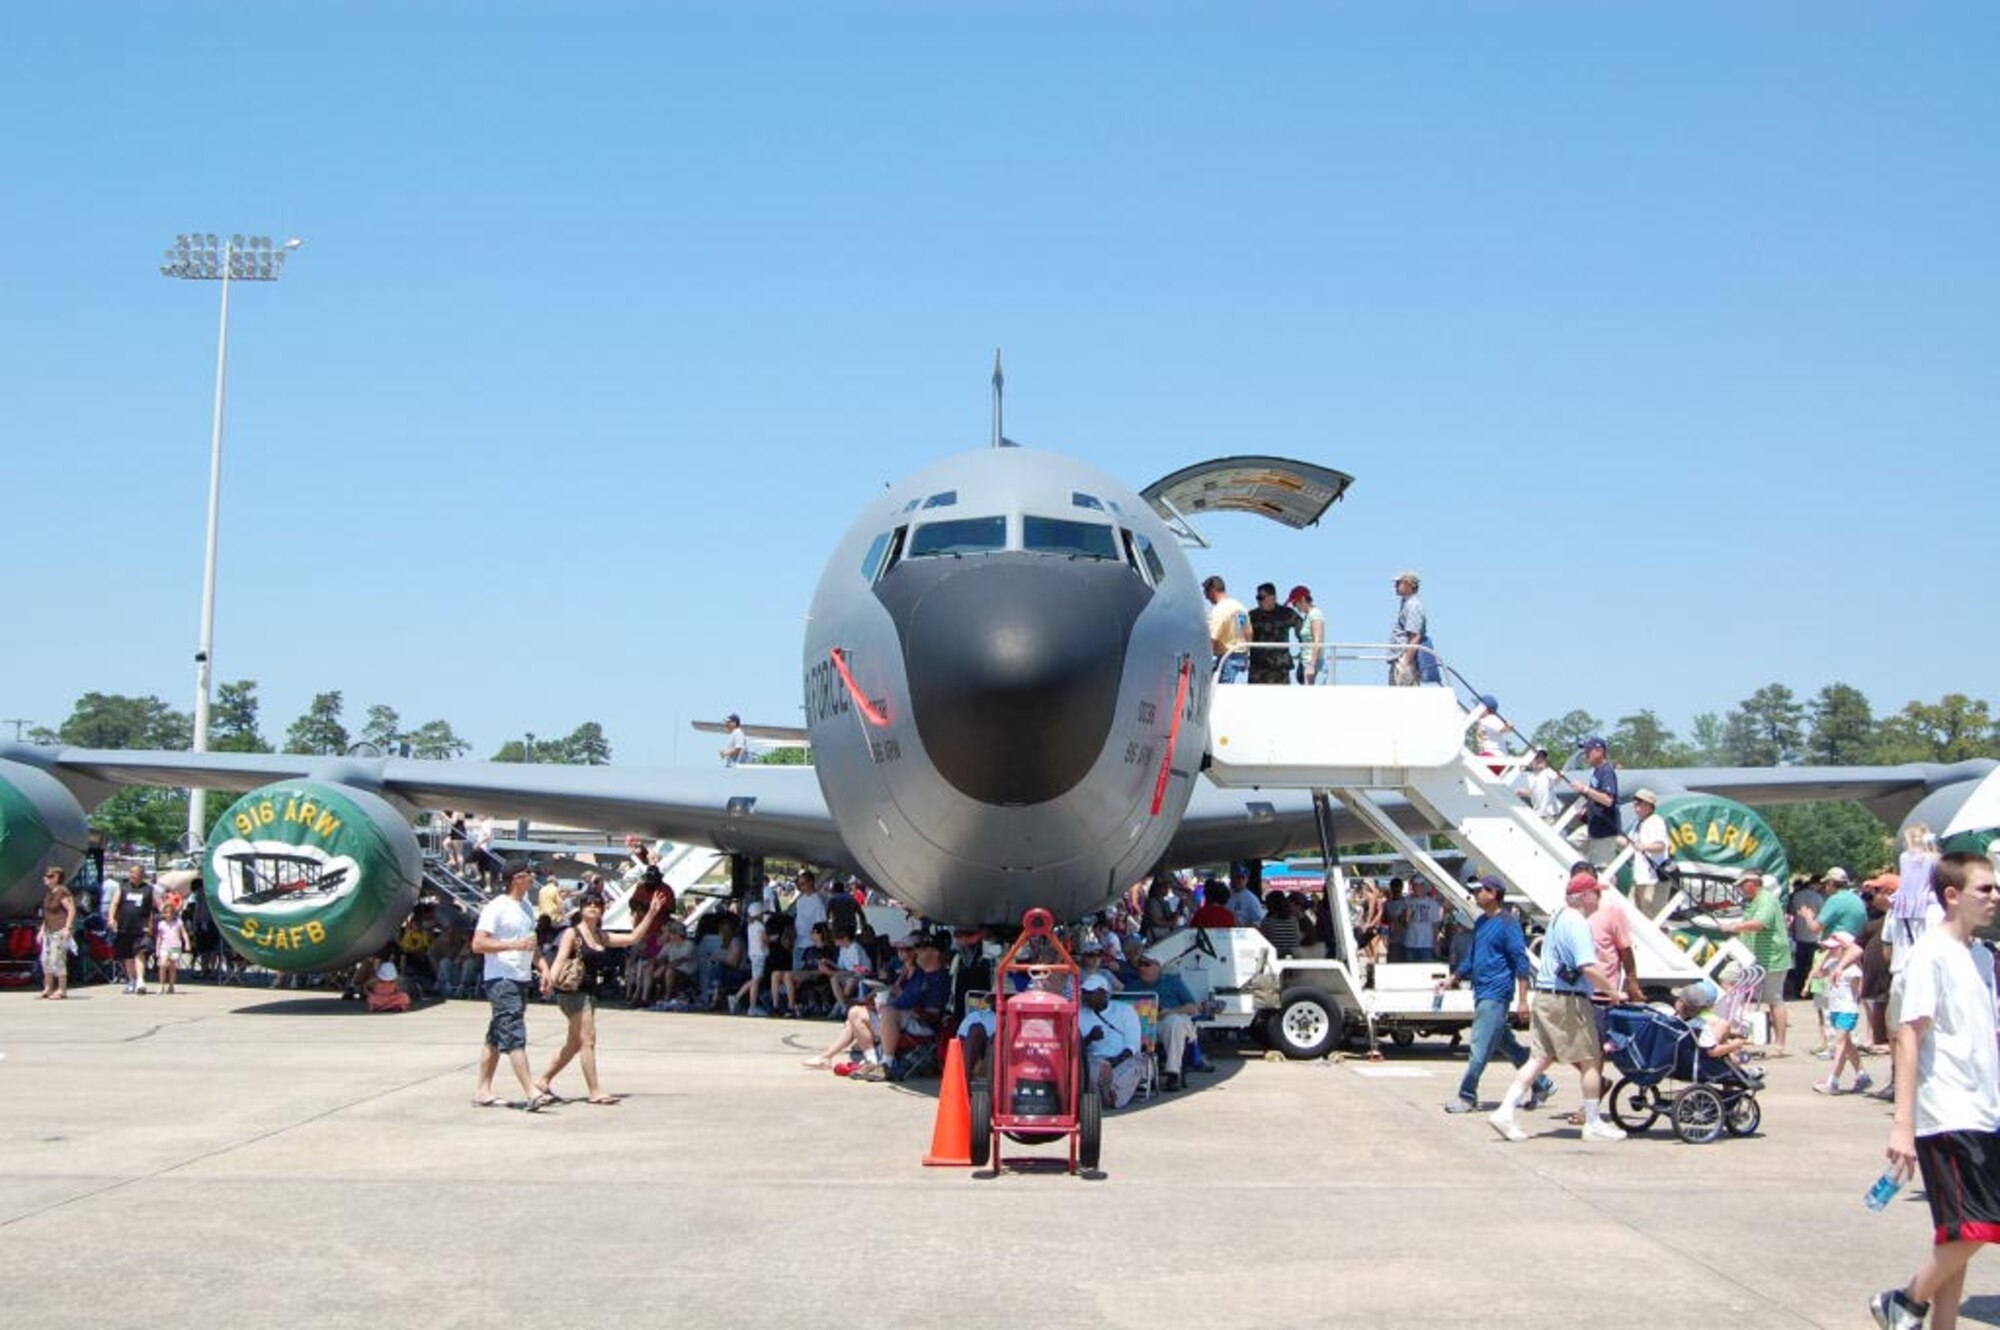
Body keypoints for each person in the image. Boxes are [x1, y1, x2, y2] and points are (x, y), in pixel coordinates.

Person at [1871, 852, 2000, 1330]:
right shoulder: (1930, 953)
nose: (1994, 897)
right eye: (1984, 889)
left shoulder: (1982, 957)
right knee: (1980, 1225)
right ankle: (1903, 1301)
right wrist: (1903, 1124)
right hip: (1946, 1112)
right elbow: (1909, 1036)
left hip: (1983, 1110)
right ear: (1952, 895)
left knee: (1956, 1236)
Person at [1489, 872, 1626, 1143]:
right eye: (1597, 893)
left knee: (1539, 1058)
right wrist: (1613, 991)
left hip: (1546, 995)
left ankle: (1505, 1111)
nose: (1599, 899)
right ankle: (1593, 1121)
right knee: (1591, 1060)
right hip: (1568, 999)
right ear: (1586, 896)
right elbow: (1588, 966)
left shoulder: (1559, 918)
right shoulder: (1578, 923)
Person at [536, 886, 667, 1104]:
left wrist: (652, 913)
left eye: (598, 905)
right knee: (588, 1040)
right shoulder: (572, 933)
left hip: (590, 994)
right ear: (581, 908)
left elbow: (632, 938)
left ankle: (543, 1081)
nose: (593, 907)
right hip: (573, 993)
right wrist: (550, 979)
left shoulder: (600, 935)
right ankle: (595, 1091)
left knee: (574, 1043)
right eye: (589, 904)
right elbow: (559, 959)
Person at [1441, 877, 1553, 1113]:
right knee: (1505, 1043)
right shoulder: (1482, 922)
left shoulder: (1508, 923)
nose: (1476, 895)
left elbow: (1520, 962)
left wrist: (1523, 1000)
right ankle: (1542, 1083)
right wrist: (1454, 977)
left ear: (1493, 894)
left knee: (1478, 1046)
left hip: (1497, 993)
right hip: (1482, 991)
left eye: (1480, 891)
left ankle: (1467, 1095)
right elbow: (1472, 956)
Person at [472, 860, 552, 1110]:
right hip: (501, 977)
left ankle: (483, 1090)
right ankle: (531, 1091)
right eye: (528, 874)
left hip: (520, 977)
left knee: (496, 1034)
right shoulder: (497, 907)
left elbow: (531, 944)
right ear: (516, 878)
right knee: (514, 1032)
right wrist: (512, 946)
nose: (532, 878)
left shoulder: (527, 907)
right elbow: (478, 944)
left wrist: (544, 967)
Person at [1716, 872, 1794, 1055]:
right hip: (1750, 957)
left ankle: (1780, 1044)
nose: (1740, 888)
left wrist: (1732, 927)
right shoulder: (1753, 902)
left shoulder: (1766, 900)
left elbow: (1760, 924)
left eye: (1743, 884)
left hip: (1771, 958)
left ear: (1753, 883)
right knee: (1727, 978)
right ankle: (1736, 1025)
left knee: (1774, 999)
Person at [1131, 954, 1202, 1091]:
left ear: (1158, 967)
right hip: (1145, 1024)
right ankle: (1144, 1076)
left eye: (1147, 964)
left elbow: (1193, 1007)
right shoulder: (1132, 986)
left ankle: (1173, 1073)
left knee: (1173, 1023)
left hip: (1169, 1021)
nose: (1142, 968)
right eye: (1140, 964)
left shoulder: (1172, 982)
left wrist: (1172, 1011)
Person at [1812, 931, 1870, 1095]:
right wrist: (1826, 957)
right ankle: (1862, 1074)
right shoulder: (1833, 963)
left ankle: (1833, 1081)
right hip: (1835, 1009)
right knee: (1847, 1045)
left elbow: (1859, 991)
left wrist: (1858, 1005)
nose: (1830, 951)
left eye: (1834, 948)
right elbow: (1818, 972)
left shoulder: (1853, 969)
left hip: (1847, 1010)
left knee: (1841, 1044)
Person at [1079, 971, 1145, 1108]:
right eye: (1084, 992)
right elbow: (1074, 1048)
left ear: (1103, 993)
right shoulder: (1080, 1014)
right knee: (1086, 1067)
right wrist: (1089, 1038)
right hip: (1095, 1059)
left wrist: (1113, 1062)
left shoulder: (1125, 1010)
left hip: (1124, 1059)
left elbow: (1133, 1045)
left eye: (1091, 993)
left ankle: (1111, 1097)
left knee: (1137, 1064)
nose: (1086, 997)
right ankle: (1106, 1093)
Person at [1565, 737, 1621, 868]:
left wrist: (1585, 789)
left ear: (1599, 751)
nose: (1585, 755)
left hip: (1604, 831)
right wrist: (1586, 807)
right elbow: (1596, 797)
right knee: (1569, 843)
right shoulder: (1596, 772)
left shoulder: (1607, 771)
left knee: (1602, 868)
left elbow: (1608, 800)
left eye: (1588, 751)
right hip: (1593, 828)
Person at [1621, 787, 1673, 919]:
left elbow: (1660, 846)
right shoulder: (1639, 823)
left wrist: (1642, 846)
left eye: (1640, 803)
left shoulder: (1656, 821)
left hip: (1653, 879)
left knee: (1652, 916)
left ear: (1649, 806)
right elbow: (1630, 843)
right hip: (1639, 877)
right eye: (1635, 802)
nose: (1636, 806)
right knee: (1633, 913)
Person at [106, 863, 156, 995]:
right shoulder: (122, 887)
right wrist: (111, 918)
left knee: (139, 952)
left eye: (135, 872)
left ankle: (140, 981)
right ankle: (132, 980)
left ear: (141, 874)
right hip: (124, 926)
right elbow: (114, 904)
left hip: (141, 927)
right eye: (131, 872)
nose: (132, 875)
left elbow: (157, 905)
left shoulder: (149, 889)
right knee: (127, 955)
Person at [1246, 582, 1300, 685]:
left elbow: (1302, 631)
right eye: (1257, 598)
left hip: (1280, 670)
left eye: (1261, 597)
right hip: (1258, 669)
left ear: (1272, 597)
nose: (1259, 601)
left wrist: (1304, 653)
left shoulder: (1287, 613)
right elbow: (1242, 637)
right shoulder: (1251, 616)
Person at [1202, 575, 1251, 683]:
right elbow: (1248, 633)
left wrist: (1202, 660)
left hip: (1227, 658)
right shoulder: (1240, 608)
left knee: (1222, 693)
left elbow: (1211, 639)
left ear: (1213, 590)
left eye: (1206, 592)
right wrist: (1247, 655)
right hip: (1240, 657)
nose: (1206, 597)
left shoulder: (1219, 611)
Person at [37, 866, 76, 1000]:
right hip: (49, 929)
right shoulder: (49, 893)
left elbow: (71, 910)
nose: (46, 878)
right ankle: (48, 988)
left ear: (57, 878)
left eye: (49, 876)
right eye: (46, 876)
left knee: (57, 959)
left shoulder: (62, 891)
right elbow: (47, 914)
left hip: (59, 929)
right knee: (45, 959)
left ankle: (62, 989)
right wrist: (42, 930)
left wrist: (68, 928)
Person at [1388, 571, 1429, 685]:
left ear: (1409, 585)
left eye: (1398, 583)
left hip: (1405, 661)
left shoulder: (1413, 605)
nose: (1395, 586)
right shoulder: (1407, 603)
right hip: (1400, 658)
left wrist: (1405, 662)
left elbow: (1415, 636)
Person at [1286, 585, 1328, 684]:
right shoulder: (1308, 616)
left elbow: (1318, 640)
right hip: (1308, 663)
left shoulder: (1315, 614)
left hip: (1314, 665)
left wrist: (1312, 665)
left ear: (1303, 599)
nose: (1294, 607)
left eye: (1295, 603)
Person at [1398, 879, 1442, 964]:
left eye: (1421, 885)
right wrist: (1405, 914)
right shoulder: (1407, 901)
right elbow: (1401, 923)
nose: (1418, 888)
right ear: (1413, 887)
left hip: (1426, 944)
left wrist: (1435, 943)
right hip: (1410, 943)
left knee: (1426, 972)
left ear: (1425, 887)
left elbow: (1435, 924)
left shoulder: (1432, 903)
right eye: (1416, 885)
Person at [153, 894, 189, 994]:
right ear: (163, 914)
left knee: (172, 967)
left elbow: (184, 933)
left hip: (175, 946)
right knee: (162, 965)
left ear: (174, 913)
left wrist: (187, 943)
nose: (168, 915)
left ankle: (171, 985)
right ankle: (161, 985)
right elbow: (159, 937)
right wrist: (157, 949)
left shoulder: (178, 922)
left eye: (170, 913)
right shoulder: (161, 924)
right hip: (164, 947)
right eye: (166, 913)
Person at [1518, 749, 1558, 822]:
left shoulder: (1548, 772)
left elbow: (1557, 778)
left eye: (1543, 757)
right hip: (1538, 813)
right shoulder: (1529, 775)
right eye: (1536, 758)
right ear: (1530, 761)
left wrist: (1560, 775)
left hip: (1549, 813)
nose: (1540, 759)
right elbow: (1532, 792)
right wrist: (1522, 792)